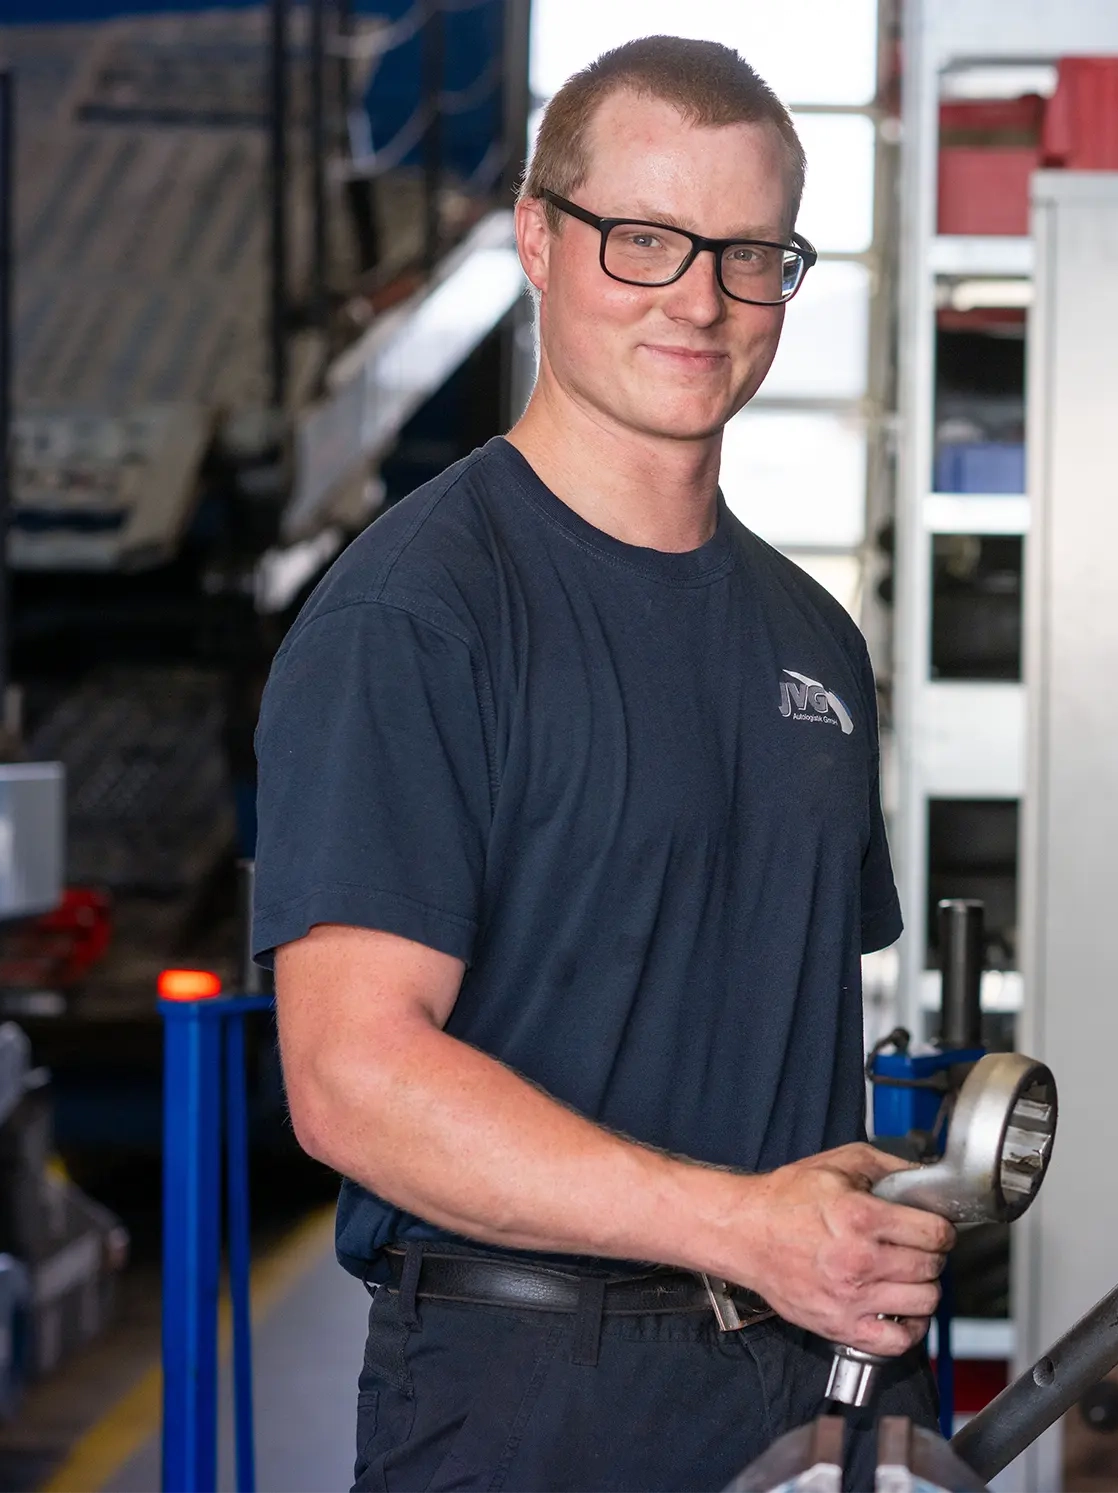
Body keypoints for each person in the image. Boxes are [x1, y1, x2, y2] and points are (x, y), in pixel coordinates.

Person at [252, 36, 948, 1492]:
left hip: (797, 1386)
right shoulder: (419, 615)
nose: (700, 299)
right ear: (537, 241)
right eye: (645, 242)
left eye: (750, 253)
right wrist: (740, 1226)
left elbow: (766, 1051)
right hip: (526, 1406)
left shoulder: (813, 637)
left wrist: (842, 1233)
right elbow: (351, 1079)